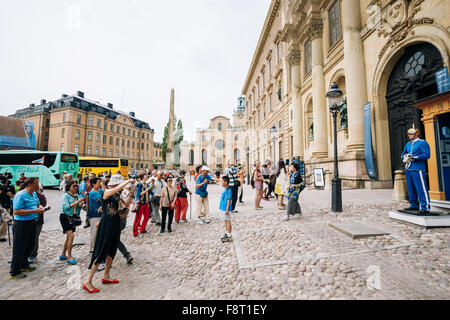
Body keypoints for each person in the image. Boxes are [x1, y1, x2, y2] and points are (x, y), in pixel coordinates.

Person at [82, 174, 135, 293]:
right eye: (119, 184)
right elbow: (114, 191)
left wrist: (132, 192)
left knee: (112, 250)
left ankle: (106, 275)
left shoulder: (117, 194)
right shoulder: (106, 192)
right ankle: (88, 281)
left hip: (115, 222)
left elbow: (126, 203)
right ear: (114, 184)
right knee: (102, 251)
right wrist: (127, 182)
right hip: (107, 224)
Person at [10, 177, 45, 280]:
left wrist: (41, 208)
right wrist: (34, 211)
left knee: (29, 245)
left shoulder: (34, 194)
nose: (38, 185)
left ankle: (24, 264)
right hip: (21, 224)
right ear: (30, 184)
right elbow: (16, 211)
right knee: (19, 247)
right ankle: (15, 271)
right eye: (36, 183)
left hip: (32, 222)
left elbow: (37, 204)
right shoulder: (20, 195)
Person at [401, 126, 431, 214]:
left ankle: (425, 207)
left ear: (417, 134)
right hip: (409, 168)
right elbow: (403, 154)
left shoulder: (422, 143)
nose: (410, 135)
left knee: (421, 188)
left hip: (418, 168)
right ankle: (414, 205)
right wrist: (405, 157)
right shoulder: (408, 144)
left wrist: (414, 157)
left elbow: (426, 155)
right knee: (411, 188)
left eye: (412, 134)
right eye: (409, 134)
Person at [60, 180, 85, 265]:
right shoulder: (65, 196)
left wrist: (81, 203)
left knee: (68, 237)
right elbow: (66, 207)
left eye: (76, 186)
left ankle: (63, 254)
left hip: (73, 218)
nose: (75, 187)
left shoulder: (76, 195)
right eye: (73, 186)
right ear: (69, 187)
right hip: (65, 217)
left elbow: (78, 207)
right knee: (71, 236)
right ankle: (69, 256)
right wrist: (77, 202)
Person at [29, 182, 47, 263]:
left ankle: (33, 255)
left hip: (38, 221)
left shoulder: (40, 196)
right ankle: (27, 254)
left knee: (35, 238)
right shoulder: (27, 195)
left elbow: (43, 206)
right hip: (29, 220)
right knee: (27, 238)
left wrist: (39, 208)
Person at [87, 177, 103, 253]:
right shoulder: (92, 193)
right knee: (94, 232)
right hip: (94, 215)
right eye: (98, 182)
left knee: (100, 231)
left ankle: (99, 246)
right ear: (93, 184)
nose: (100, 184)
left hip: (101, 214)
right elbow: (101, 200)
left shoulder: (100, 190)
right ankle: (92, 248)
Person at [133, 171, 151, 237]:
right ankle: (135, 233)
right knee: (138, 219)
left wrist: (155, 194)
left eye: (146, 175)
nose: (146, 176)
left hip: (146, 203)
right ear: (143, 177)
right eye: (145, 175)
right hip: (140, 203)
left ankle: (142, 229)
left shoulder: (146, 184)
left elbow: (150, 191)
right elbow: (138, 195)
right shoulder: (140, 184)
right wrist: (146, 190)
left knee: (147, 216)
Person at [219, 176, 233, 243]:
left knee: (228, 221)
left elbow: (228, 200)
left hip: (226, 208)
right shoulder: (225, 188)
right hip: (223, 207)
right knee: (226, 220)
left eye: (222, 181)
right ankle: (227, 232)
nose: (221, 183)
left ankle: (229, 235)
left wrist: (227, 209)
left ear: (226, 182)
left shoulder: (228, 190)